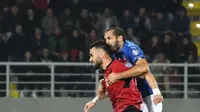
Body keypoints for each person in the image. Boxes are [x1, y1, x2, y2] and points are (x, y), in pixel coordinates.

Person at [98, 27, 163, 112]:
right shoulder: (113, 54)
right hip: (134, 97)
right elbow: (113, 77)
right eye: (105, 39)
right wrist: (101, 83)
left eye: (109, 38)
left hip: (149, 94)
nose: (106, 42)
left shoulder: (130, 48)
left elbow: (144, 69)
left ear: (120, 38)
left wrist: (156, 92)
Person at [84, 40, 143, 112]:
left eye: (92, 55)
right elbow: (111, 91)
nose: (90, 59)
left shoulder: (119, 65)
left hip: (130, 108)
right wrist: (94, 101)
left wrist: (119, 75)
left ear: (101, 54)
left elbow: (141, 70)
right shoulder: (108, 73)